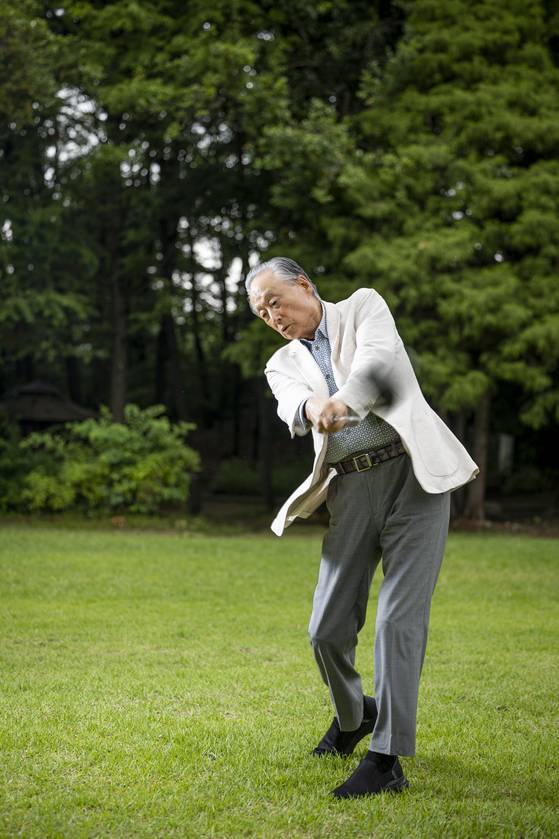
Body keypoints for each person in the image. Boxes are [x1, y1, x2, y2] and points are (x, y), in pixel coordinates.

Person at [246, 256, 479, 799]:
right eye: (262, 313)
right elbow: (291, 402)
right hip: (349, 489)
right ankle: (355, 717)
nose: (272, 317)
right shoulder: (280, 362)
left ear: (305, 285)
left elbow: (377, 360)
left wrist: (343, 401)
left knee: (398, 619)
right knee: (325, 628)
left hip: (414, 477)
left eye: (276, 302)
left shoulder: (362, 306)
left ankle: (385, 758)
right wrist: (313, 407)